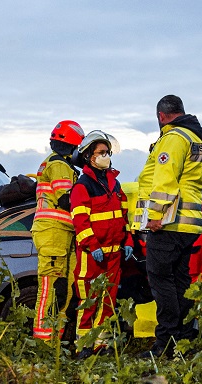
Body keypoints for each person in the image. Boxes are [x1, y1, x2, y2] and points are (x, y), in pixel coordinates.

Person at [136, 95, 202, 358]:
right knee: (180, 282)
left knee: (162, 282)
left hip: (169, 223)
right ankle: (184, 341)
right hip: (188, 224)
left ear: (161, 116)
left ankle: (164, 344)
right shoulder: (195, 139)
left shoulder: (174, 138)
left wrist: (154, 216)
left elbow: (165, 181)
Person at [69, 131, 133, 359]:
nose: (106, 156)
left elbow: (124, 216)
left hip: (114, 255)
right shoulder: (82, 187)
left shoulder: (114, 184)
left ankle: (100, 346)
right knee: (88, 303)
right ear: (88, 156)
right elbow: (80, 222)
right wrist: (92, 245)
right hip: (91, 255)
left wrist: (128, 240)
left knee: (108, 302)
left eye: (107, 152)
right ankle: (83, 347)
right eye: (101, 153)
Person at [30, 120, 84, 342]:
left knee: (65, 289)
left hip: (61, 234)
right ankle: (44, 342)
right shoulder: (59, 165)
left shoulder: (55, 163)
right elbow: (66, 199)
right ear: (73, 145)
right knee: (53, 288)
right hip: (54, 233)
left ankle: (55, 340)